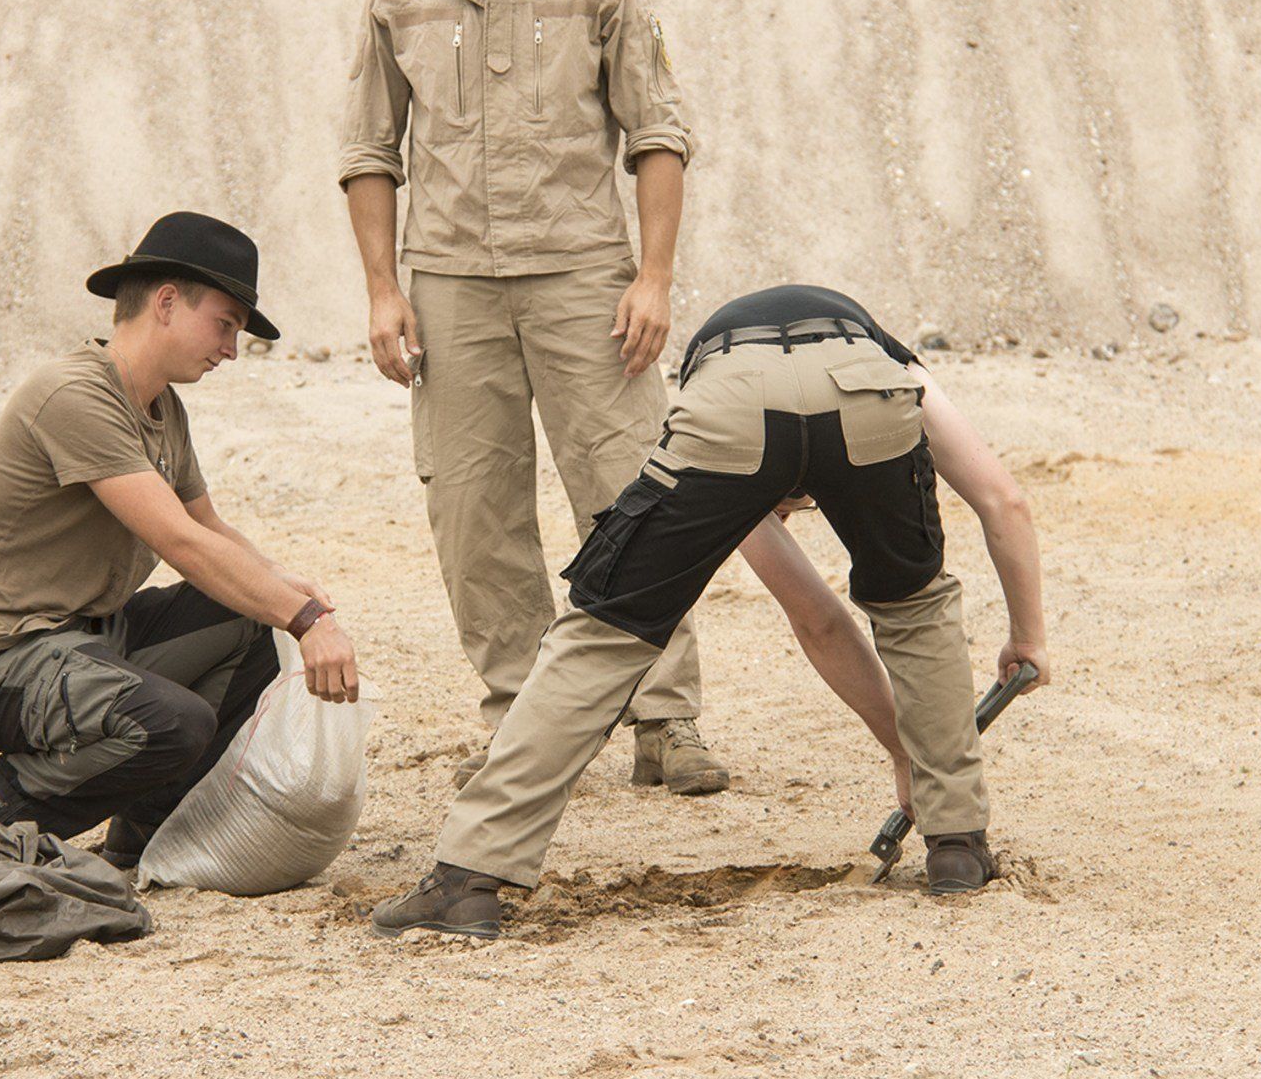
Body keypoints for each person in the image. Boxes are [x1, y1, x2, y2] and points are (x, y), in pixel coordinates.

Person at [372, 284, 1050, 938]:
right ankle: (957, 843)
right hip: (865, 399)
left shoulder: (730, 427)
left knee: (606, 630)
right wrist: (1027, 637)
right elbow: (1004, 503)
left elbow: (819, 618)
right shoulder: (893, 365)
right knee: (915, 606)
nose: (788, 510)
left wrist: (903, 748)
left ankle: (467, 878)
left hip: (734, 405)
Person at [339, 0, 725, 793]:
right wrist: (384, 291)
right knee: (474, 507)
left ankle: (663, 716)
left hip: (583, 279)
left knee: (631, 492)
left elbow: (658, 135)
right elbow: (369, 149)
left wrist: (652, 276)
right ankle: (521, 714)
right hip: (454, 283)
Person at [0, 212, 360, 870]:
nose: (231, 349)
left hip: (85, 638)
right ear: (165, 302)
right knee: (172, 721)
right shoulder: (74, 394)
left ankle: (143, 834)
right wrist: (302, 620)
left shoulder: (161, 406)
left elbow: (210, 527)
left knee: (248, 622)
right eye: (225, 323)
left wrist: (284, 587)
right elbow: (178, 539)